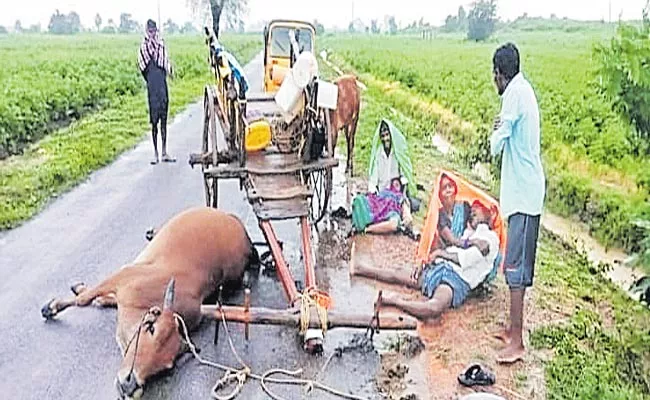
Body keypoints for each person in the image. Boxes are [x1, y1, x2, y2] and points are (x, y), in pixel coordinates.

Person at [490, 43, 545, 364]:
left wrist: (495, 130)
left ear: (500, 73)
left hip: (524, 195)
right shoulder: (523, 90)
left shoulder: (513, 94)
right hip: (524, 192)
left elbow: (497, 144)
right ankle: (512, 329)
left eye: (494, 75)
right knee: (516, 265)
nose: (494, 81)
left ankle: (517, 342)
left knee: (516, 268)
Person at [350, 202, 499, 320]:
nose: (472, 212)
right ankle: (359, 268)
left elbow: (467, 259)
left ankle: (393, 301)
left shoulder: (491, 238)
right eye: (471, 211)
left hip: (456, 280)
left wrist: (440, 253)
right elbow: (453, 248)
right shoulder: (468, 233)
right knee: (398, 274)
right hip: (442, 268)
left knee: (434, 308)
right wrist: (429, 261)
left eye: (477, 209)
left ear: (489, 215)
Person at [138, 19, 174, 165]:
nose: (152, 34)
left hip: (162, 85)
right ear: (147, 31)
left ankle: (164, 151)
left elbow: (165, 63)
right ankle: (155, 153)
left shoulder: (161, 44)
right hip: (152, 86)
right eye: (150, 31)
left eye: (154, 31)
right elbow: (142, 68)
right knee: (154, 121)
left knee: (164, 119)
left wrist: (168, 72)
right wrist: (150, 79)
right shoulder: (143, 47)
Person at [368, 120, 418, 211]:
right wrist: (373, 192)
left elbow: (403, 175)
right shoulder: (378, 154)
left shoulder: (397, 153)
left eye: (387, 135)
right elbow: (373, 178)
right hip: (382, 193)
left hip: (396, 192)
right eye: (383, 136)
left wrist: (402, 186)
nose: (385, 139)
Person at [436, 173, 472, 249]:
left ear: (455, 190)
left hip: (468, 246)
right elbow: (452, 240)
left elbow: (472, 227)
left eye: (450, 186)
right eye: (444, 188)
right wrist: (472, 243)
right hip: (452, 251)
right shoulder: (440, 215)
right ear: (439, 195)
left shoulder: (465, 207)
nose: (448, 190)